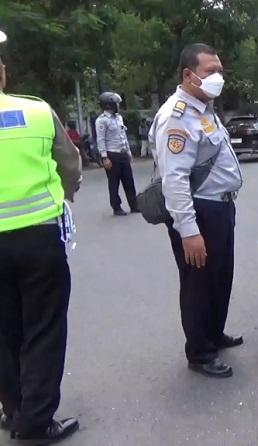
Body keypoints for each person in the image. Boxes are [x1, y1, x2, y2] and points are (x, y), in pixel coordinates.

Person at [0, 41, 82, 443]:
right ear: (2, 74)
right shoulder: (35, 112)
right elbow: (70, 167)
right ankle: (35, 421)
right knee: (43, 330)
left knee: (3, 330)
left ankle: (14, 408)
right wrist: (66, 195)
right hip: (38, 240)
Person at [150, 43, 243, 378]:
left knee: (220, 276)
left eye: (220, 71)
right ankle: (200, 352)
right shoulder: (176, 117)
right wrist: (189, 231)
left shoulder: (205, 109)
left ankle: (214, 333)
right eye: (209, 72)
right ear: (188, 75)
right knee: (198, 282)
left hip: (219, 207)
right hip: (197, 212)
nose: (217, 77)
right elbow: (174, 180)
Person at [95, 91, 139, 216]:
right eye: (116, 103)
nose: (118, 106)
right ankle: (116, 207)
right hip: (112, 154)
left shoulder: (118, 118)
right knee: (114, 182)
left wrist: (128, 151)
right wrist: (104, 157)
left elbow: (123, 135)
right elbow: (100, 139)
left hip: (122, 153)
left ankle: (134, 205)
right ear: (109, 105)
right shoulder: (101, 121)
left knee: (129, 180)